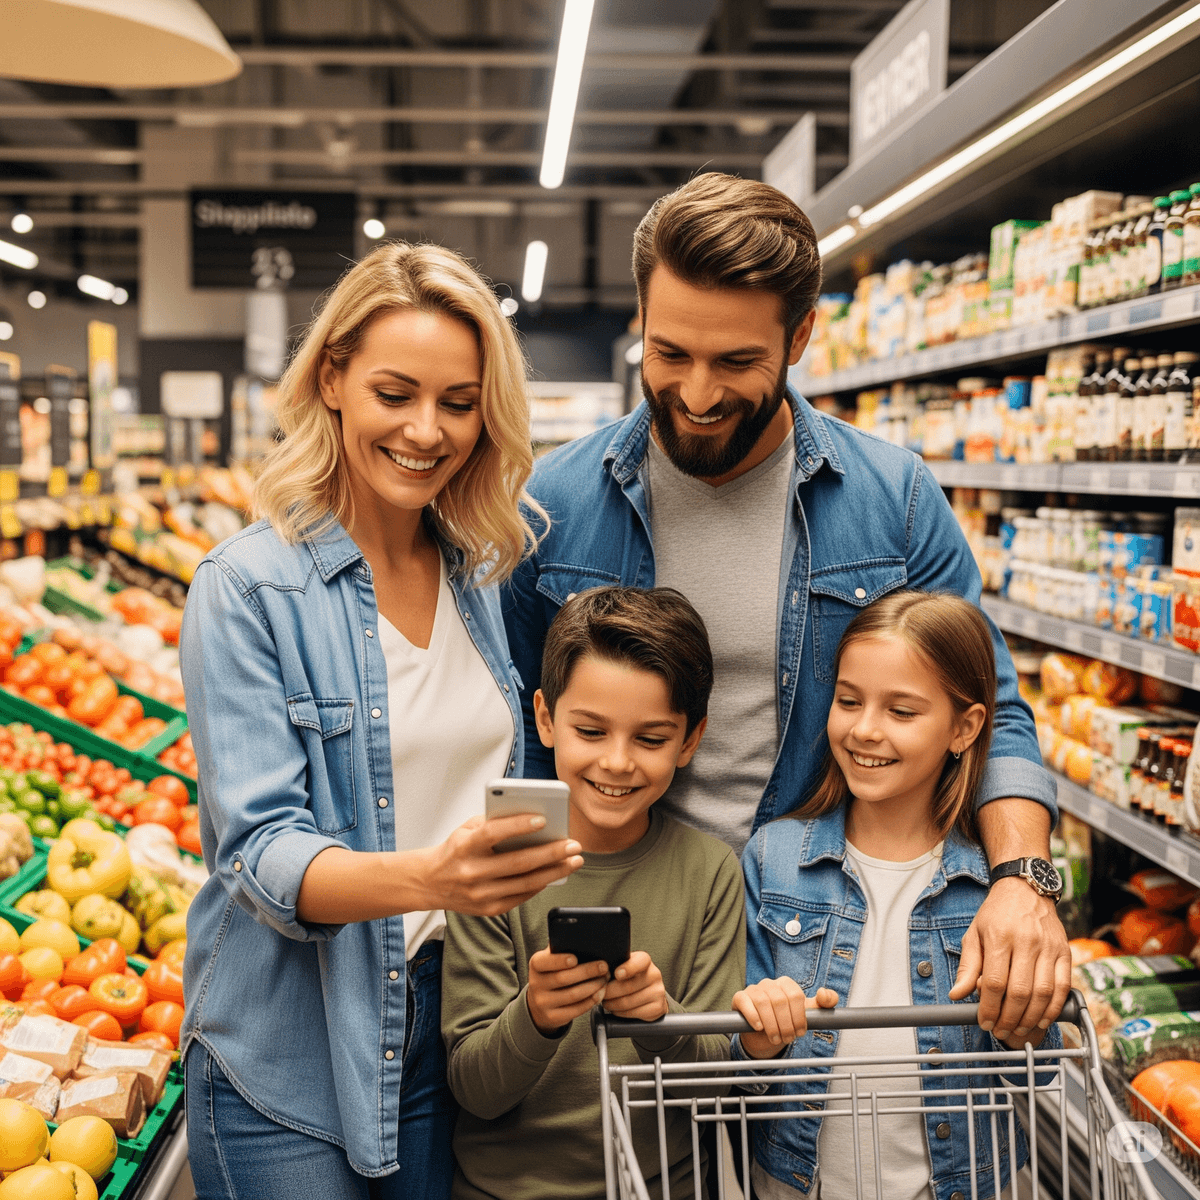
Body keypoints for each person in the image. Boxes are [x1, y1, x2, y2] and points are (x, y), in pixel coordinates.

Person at [504, 172, 1069, 1044]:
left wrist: (1023, 880)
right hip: (615, 920)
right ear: (640, 321)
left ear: (801, 335)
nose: (695, 395)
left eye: (736, 362)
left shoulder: (895, 503)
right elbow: (516, 730)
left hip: (814, 938)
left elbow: (994, 710)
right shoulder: (556, 504)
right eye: (669, 354)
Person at [179, 242, 585, 1199]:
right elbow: (259, 852)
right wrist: (429, 877)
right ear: (333, 379)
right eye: (394, 393)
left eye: (457, 401)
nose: (426, 430)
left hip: (442, 1024)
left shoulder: (481, 573)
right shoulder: (247, 587)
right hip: (291, 1048)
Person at [732, 590, 1062, 1200]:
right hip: (799, 1185)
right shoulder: (774, 859)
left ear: (964, 728)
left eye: (901, 712)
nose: (864, 729)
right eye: (848, 700)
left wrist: (1024, 1018)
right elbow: (737, 1062)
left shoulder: (997, 890)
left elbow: (1041, 1065)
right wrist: (759, 1029)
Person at [441, 587, 746, 1200]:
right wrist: (536, 1015)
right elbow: (474, 1088)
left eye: (651, 739)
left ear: (691, 740)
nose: (617, 762)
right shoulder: (494, 867)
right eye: (590, 730)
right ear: (546, 719)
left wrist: (660, 1021)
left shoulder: (711, 872)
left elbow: (716, 1083)